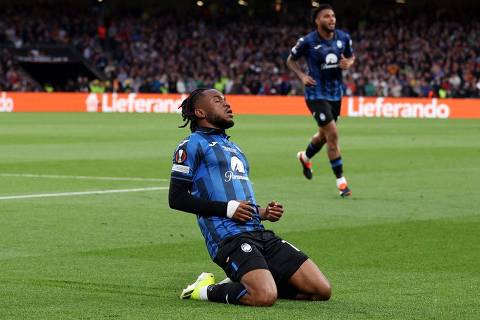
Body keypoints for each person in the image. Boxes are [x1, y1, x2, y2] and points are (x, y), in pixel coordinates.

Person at [168, 88, 331, 306]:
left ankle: (247, 279)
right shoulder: (191, 144)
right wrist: (227, 209)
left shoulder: (234, 148)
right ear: (200, 112)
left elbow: (238, 198)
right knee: (263, 296)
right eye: (218, 101)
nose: (227, 104)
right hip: (229, 238)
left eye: (226, 100)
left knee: (321, 290)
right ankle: (203, 289)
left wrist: (262, 212)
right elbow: (176, 198)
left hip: (260, 233)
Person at [286, 4, 355, 197]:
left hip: (335, 94)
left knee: (324, 136)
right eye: (326, 16)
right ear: (317, 21)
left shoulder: (343, 37)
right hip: (315, 93)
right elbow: (290, 60)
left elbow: (351, 57)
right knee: (332, 133)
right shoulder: (307, 41)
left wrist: (348, 63)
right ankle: (342, 183)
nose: (331, 19)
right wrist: (301, 76)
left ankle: (305, 156)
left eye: (333, 16)